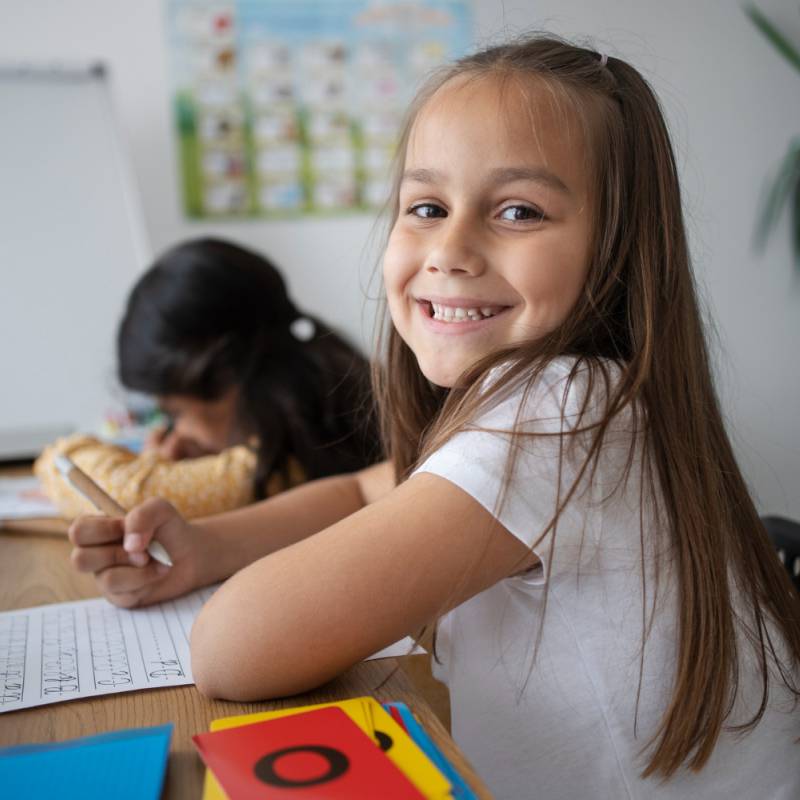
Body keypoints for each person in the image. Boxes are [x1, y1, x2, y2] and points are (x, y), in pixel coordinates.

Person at [67, 37, 800, 798]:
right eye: (427, 206)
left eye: (519, 210)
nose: (450, 248)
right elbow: (358, 492)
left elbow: (230, 650)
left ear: (617, 248)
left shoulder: (567, 415)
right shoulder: (579, 403)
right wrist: (203, 547)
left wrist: (226, 579)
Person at [36, 238, 380, 518]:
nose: (178, 436)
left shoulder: (276, 466)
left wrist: (152, 463)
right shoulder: (327, 408)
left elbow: (132, 496)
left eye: (177, 414)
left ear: (227, 375)